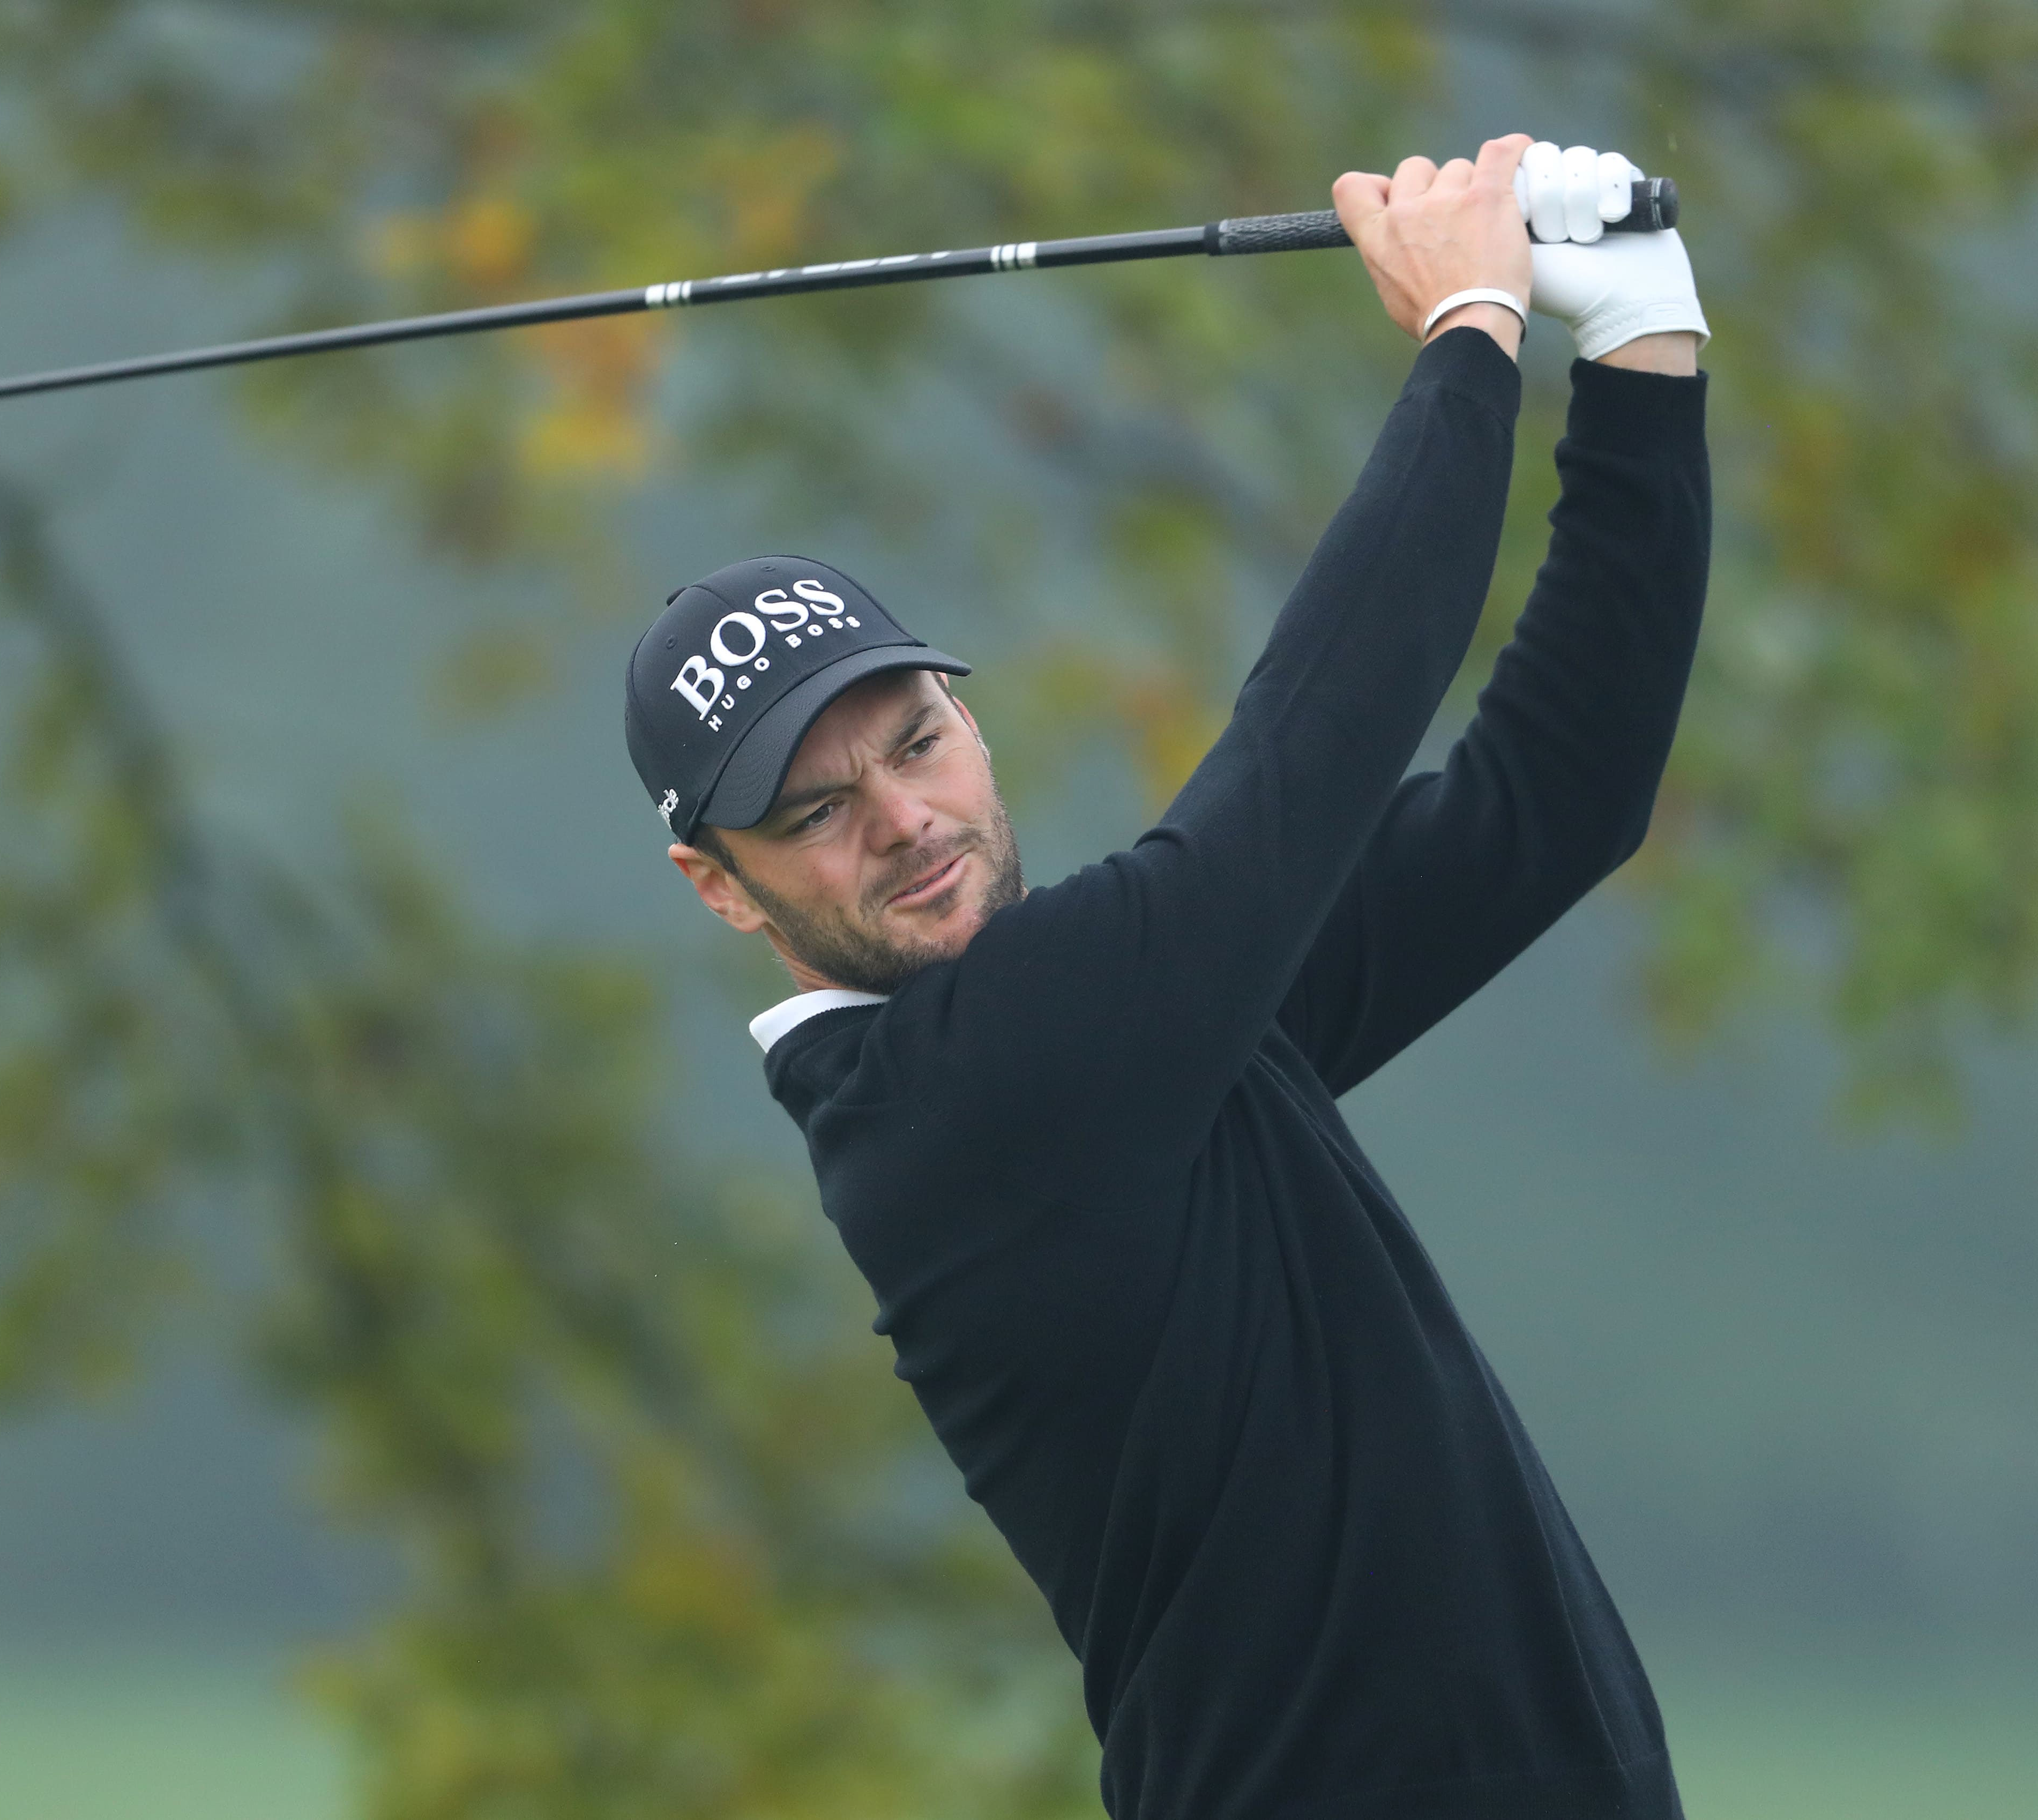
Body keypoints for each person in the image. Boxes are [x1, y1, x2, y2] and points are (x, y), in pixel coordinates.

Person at [620, 133, 1710, 1820]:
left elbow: (1553, 796)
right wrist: (1469, 331)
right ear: (718, 884)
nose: (905, 821)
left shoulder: (1156, 1029)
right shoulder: (950, 1105)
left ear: (970, 719)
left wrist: (1639, 344)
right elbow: (1310, 740)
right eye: (815, 813)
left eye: (916, 741)